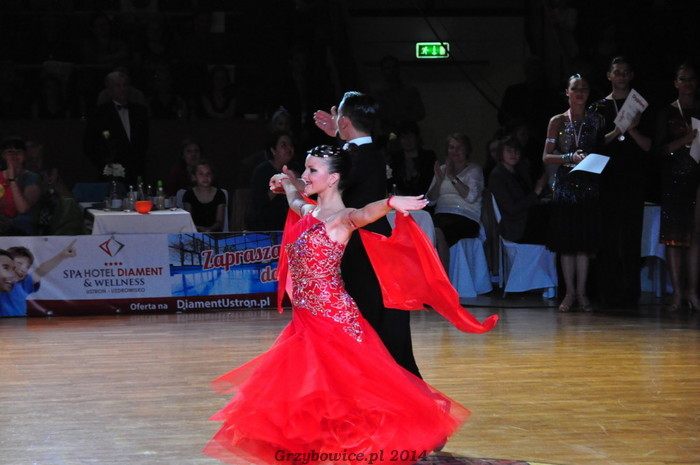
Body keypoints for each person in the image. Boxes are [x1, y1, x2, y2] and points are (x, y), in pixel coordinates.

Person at [204, 144, 497, 464]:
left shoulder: (342, 218)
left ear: (333, 179)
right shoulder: (311, 213)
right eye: (306, 169)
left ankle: (414, 432)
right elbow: (295, 201)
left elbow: (365, 213)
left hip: (334, 321)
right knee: (314, 394)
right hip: (306, 321)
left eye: (312, 170)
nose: (306, 175)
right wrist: (286, 182)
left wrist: (390, 202)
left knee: (355, 392)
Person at [311, 91, 420, 377]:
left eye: (339, 117)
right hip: (372, 245)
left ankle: (384, 383)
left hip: (366, 249)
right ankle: (388, 382)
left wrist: (293, 186)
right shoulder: (367, 153)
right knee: (376, 318)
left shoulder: (358, 156)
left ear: (345, 122)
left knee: (369, 318)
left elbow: (330, 186)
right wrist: (338, 135)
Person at [589, 56, 652, 309]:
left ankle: (630, 293)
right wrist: (618, 130)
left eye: (626, 72)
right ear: (609, 75)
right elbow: (595, 145)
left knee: (631, 237)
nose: (621, 76)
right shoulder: (599, 107)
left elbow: (648, 146)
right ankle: (608, 292)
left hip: (633, 179)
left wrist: (632, 128)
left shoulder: (641, 105)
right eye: (617, 72)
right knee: (608, 237)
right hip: (607, 180)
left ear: (631, 75)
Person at [543, 74, 606, 312]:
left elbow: (602, 147)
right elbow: (546, 156)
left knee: (584, 243)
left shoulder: (596, 120)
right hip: (566, 184)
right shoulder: (557, 120)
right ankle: (569, 292)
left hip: (588, 183)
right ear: (567, 92)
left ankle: (582, 292)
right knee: (567, 243)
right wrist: (568, 156)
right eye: (575, 88)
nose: (579, 92)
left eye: (584, 88)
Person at [655, 62, 700, 312]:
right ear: (675, 83)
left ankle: (692, 291)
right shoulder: (667, 112)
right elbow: (660, 150)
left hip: (697, 177)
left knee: (695, 235)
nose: (687, 83)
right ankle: (677, 293)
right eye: (683, 79)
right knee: (673, 237)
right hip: (673, 178)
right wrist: (685, 140)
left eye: (691, 78)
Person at [426, 133, 484, 272]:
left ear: (467, 150)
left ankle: (442, 279)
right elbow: (429, 201)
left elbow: (471, 197)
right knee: (422, 229)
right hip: (441, 216)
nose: (455, 151)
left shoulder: (474, 170)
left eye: (459, 147)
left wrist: (451, 176)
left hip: (465, 217)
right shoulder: (441, 169)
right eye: (451, 147)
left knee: (438, 232)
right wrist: (439, 181)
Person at [83, 70, 150, 185]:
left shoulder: (140, 112)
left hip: (137, 171)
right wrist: (106, 165)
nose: (122, 89)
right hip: (112, 173)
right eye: (118, 86)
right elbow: (90, 144)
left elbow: (144, 142)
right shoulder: (99, 113)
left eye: (125, 85)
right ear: (109, 90)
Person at [489, 136, 550, 244]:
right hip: (516, 225)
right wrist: (536, 192)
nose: (513, 154)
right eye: (509, 151)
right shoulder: (497, 177)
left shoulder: (520, 169)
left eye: (516, 150)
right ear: (501, 153)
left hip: (529, 218)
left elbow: (530, 194)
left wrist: (542, 189)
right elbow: (511, 208)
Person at [0, 241, 76, 317]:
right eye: (20, 263)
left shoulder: (23, 285)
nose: (24, 269)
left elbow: (41, 270)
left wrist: (61, 256)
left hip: (18, 322)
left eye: (27, 267)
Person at [246, 131, 295, 231]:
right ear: (273, 150)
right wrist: (279, 184)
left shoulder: (295, 170)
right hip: (264, 227)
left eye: (290, 145)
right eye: (283, 145)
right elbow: (258, 201)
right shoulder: (262, 170)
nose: (289, 148)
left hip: (289, 225)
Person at [0, 137, 41, 236]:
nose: (14, 155)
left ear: (24, 155)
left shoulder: (32, 178)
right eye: (10, 152)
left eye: (18, 152)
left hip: (22, 230)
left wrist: (12, 180)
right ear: (3, 155)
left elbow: (23, 208)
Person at [386, 120, 436, 196]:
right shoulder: (394, 159)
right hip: (400, 200)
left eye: (410, 137)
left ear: (416, 138)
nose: (407, 141)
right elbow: (390, 183)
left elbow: (431, 182)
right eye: (403, 137)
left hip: (424, 200)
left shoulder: (428, 157)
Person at [183, 160, 226, 233]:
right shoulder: (189, 194)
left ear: (212, 176)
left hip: (214, 234)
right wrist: (199, 229)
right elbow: (188, 220)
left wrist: (209, 229)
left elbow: (219, 222)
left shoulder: (220, 194)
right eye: (201, 174)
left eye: (208, 174)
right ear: (194, 177)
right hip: (194, 233)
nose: (205, 177)